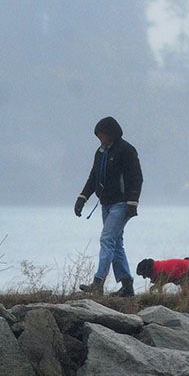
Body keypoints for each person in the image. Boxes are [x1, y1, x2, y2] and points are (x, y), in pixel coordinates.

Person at [75, 116, 142, 297]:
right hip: (106, 203)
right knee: (115, 242)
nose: (100, 138)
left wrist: (132, 202)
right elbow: (93, 178)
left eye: (102, 134)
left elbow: (136, 178)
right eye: (98, 135)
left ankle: (98, 282)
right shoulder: (100, 152)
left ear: (111, 133)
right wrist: (82, 198)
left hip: (122, 203)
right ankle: (127, 285)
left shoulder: (127, 150)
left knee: (106, 239)